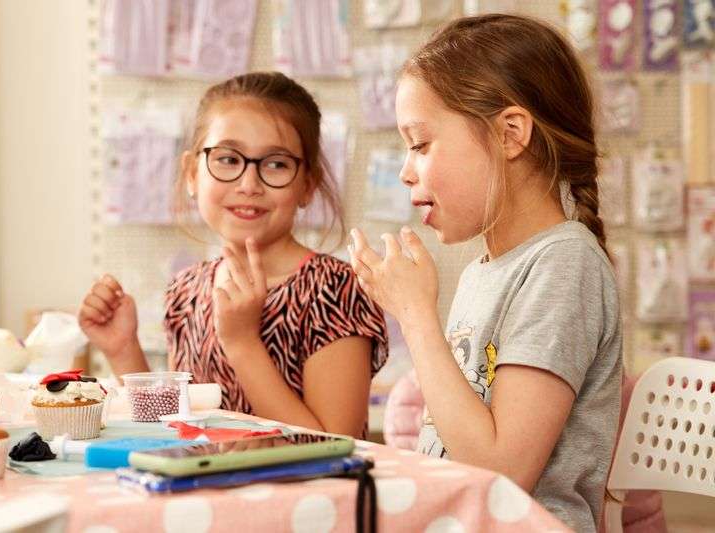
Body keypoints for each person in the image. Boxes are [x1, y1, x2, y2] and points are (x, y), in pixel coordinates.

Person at [348, 15, 622, 531]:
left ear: (509, 134)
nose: (405, 171)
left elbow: (503, 475)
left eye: (420, 144)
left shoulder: (565, 265)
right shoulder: (484, 271)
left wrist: (415, 315)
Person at [80, 72, 388, 438]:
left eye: (276, 164)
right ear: (192, 173)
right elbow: (177, 428)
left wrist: (241, 342)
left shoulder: (333, 288)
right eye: (227, 159)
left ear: (308, 184)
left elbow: (335, 445)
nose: (248, 184)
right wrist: (123, 351)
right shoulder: (186, 290)